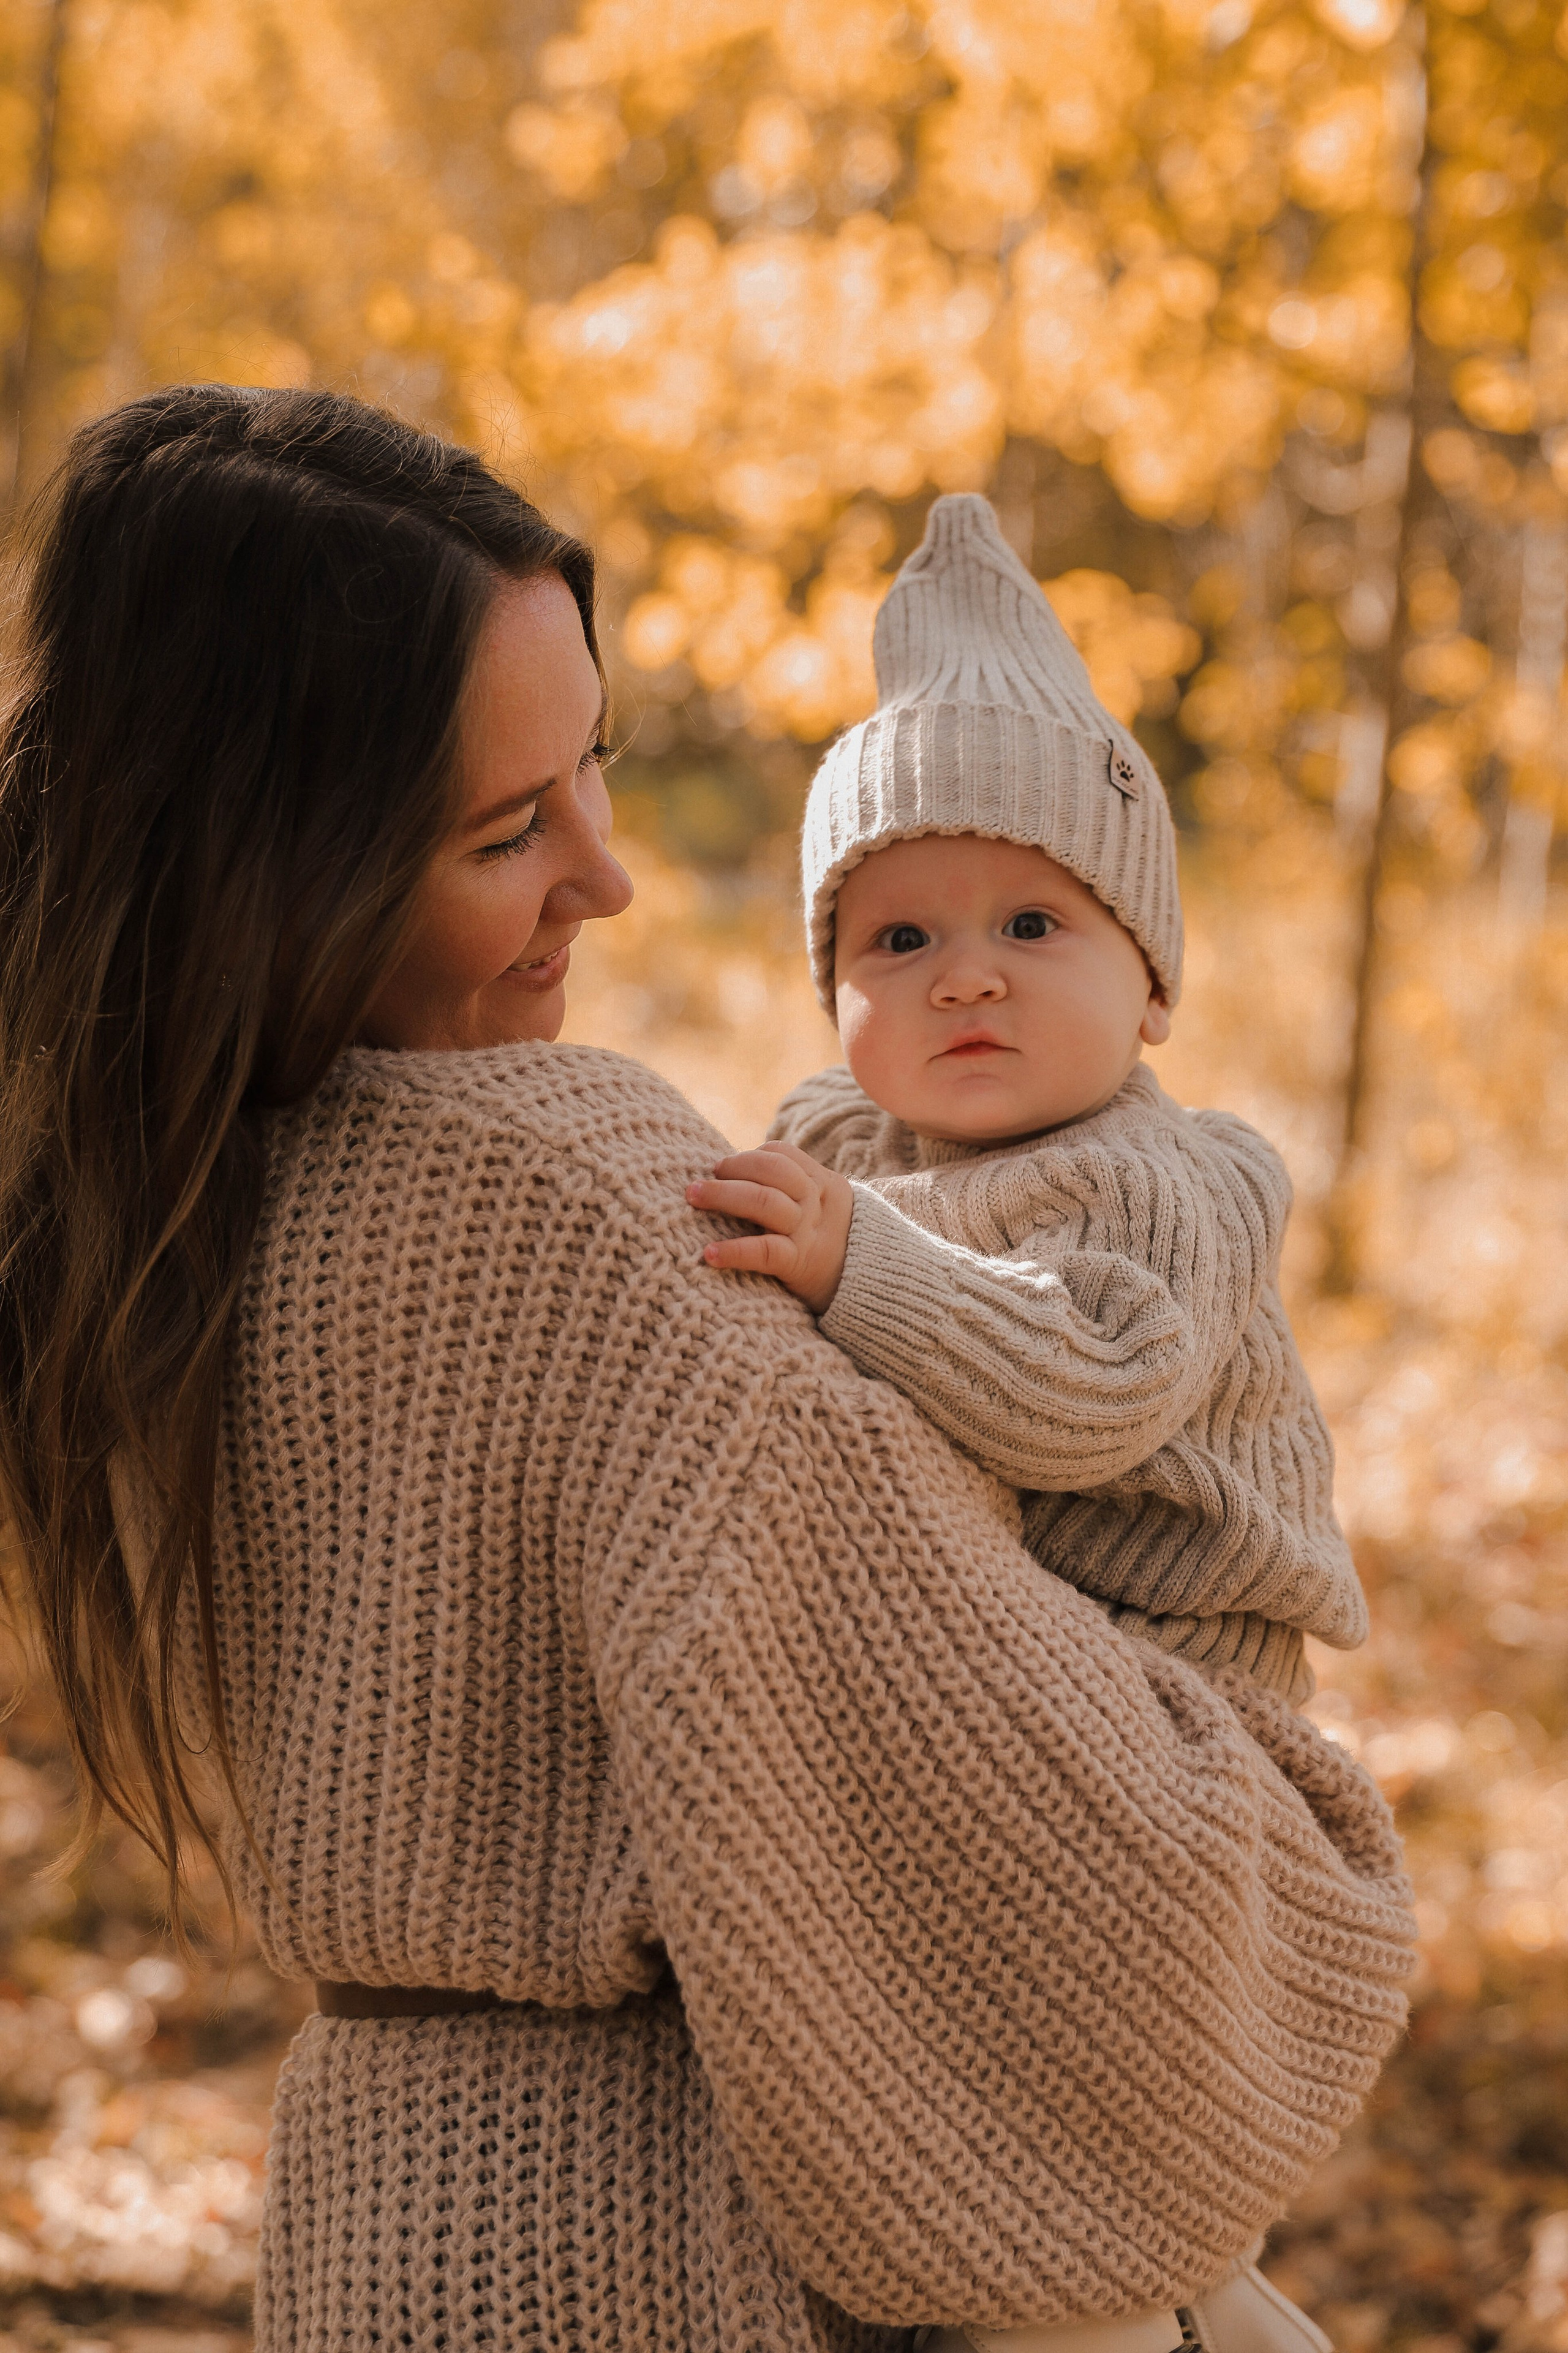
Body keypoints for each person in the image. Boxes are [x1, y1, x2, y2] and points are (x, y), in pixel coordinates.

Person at [0, 387, 1414, 2353]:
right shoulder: (596, 1213)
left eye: (596, 763)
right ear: (284, 866)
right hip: (671, 2251)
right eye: (509, 829)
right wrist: (1310, 1881)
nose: (611, 876)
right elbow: (1114, 1956)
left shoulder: (133, 1224)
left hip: (381, 2239)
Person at [690, 494, 1360, 1714]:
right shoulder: (836, 1133)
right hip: (979, 1628)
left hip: (1177, 1663)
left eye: (1031, 924)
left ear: (1151, 986)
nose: (964, 977)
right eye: (901, 939)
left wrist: (858, 1260)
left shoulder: (1146, 1180)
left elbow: (1089, 1395)